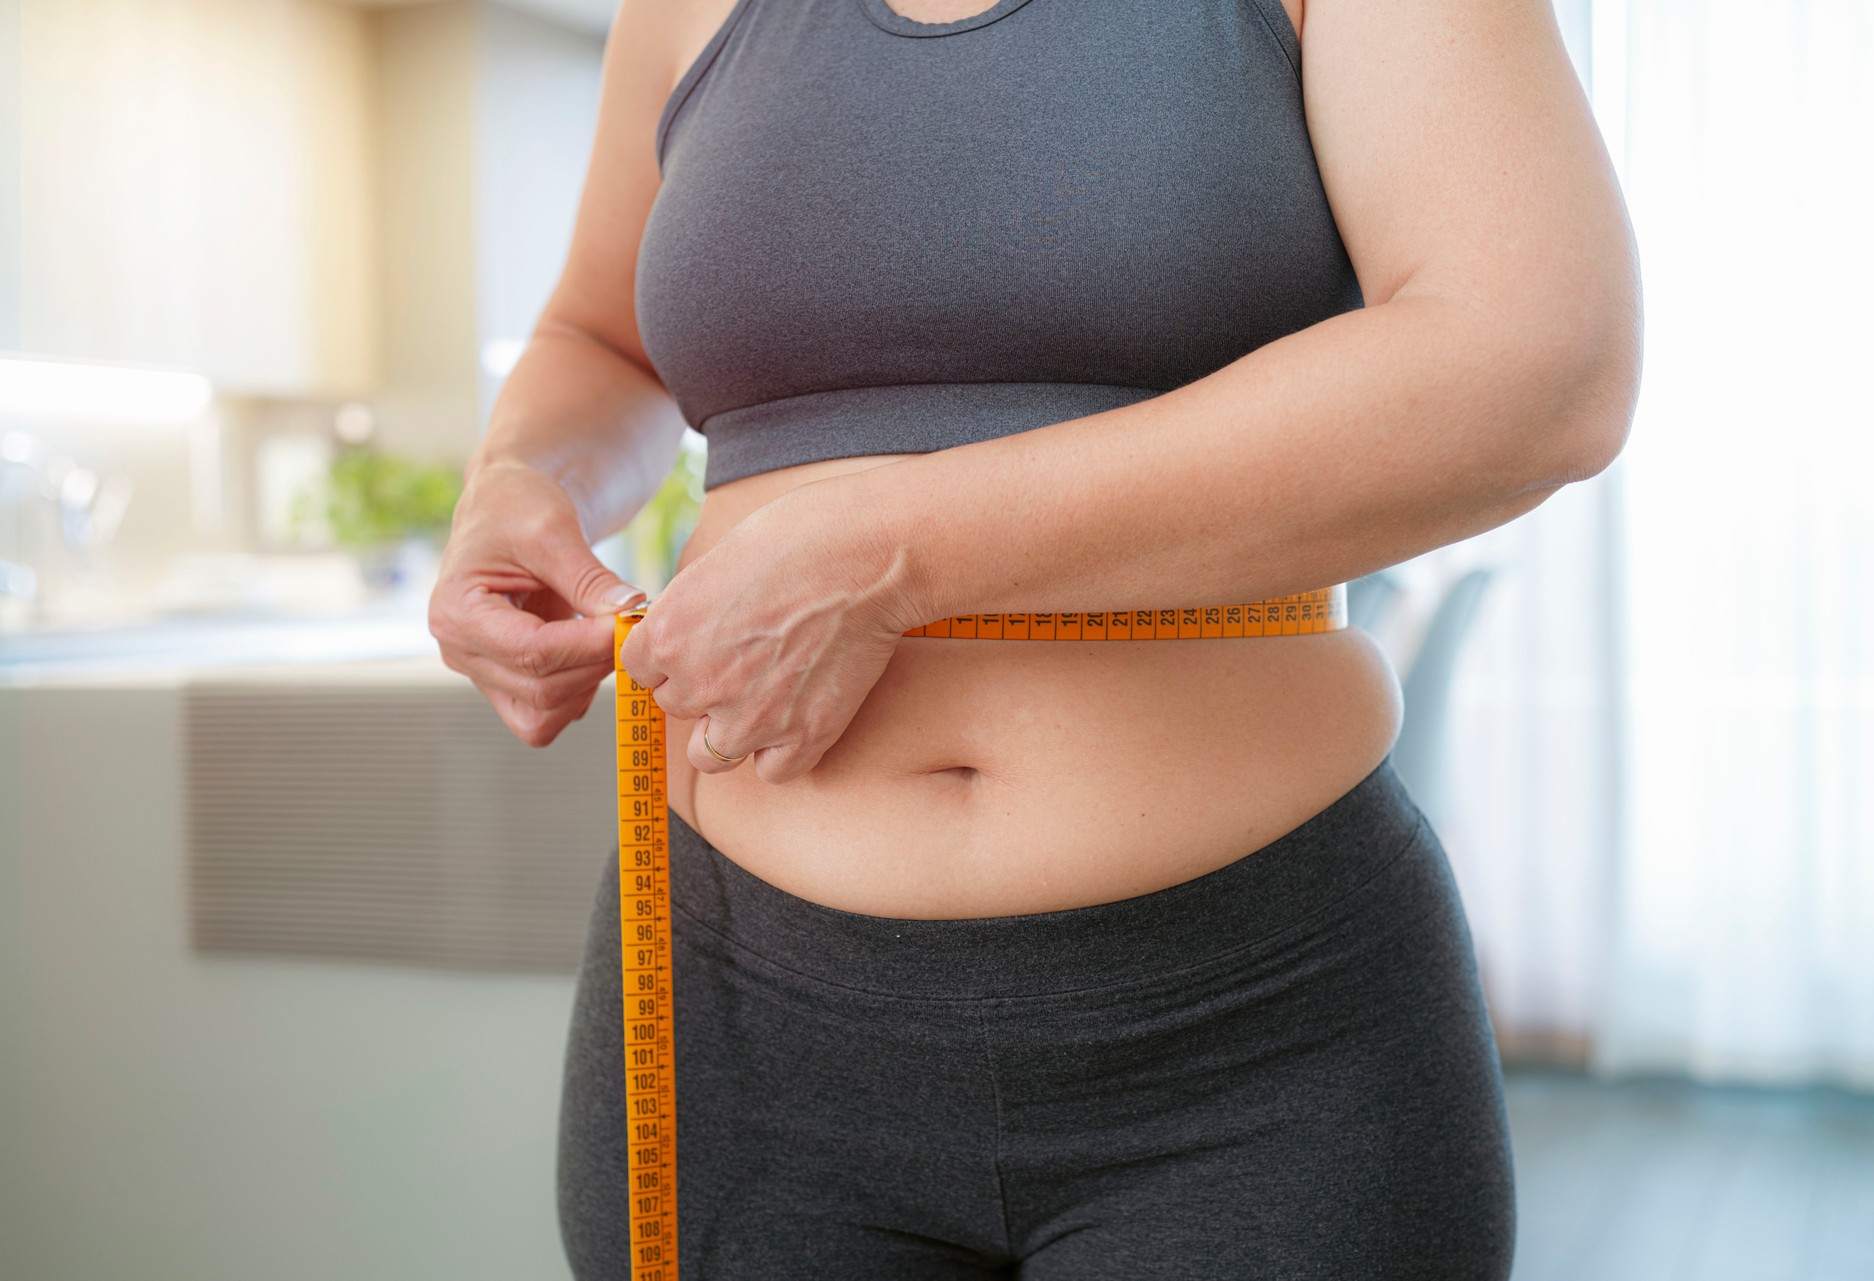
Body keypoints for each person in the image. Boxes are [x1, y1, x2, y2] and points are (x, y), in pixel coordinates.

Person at [427, 0, 1640, 1274]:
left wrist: (897, 552)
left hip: (1250, 1044)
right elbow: (603, 341)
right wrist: (516, 480)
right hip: (734, 1022)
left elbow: (1539, 360)